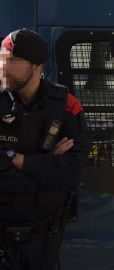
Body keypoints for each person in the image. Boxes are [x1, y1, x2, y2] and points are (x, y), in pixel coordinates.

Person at [0, 28, 91, 269]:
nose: (3, 68)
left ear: (37, 65)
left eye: (12, 61)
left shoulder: (67, 106)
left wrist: (16, 161)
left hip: (42, 242)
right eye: (1, 59)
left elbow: (72, 171)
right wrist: (46, 170)